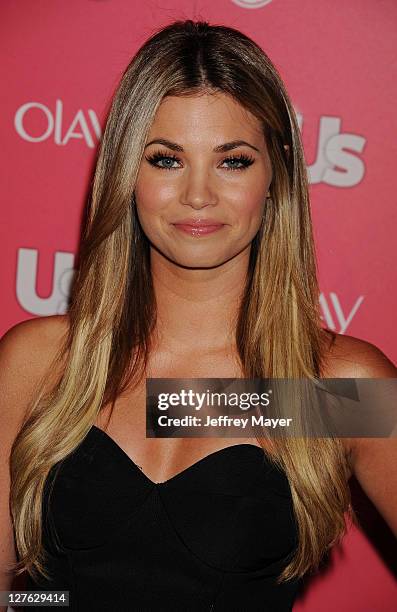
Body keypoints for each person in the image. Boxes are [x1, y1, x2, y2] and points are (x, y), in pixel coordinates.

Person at [1, 19, 396, 612]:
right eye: (166, 159)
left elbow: (187, 402)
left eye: (232, 161)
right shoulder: (41, 362)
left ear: (276, 172)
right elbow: (12, 589)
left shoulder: (336, 388)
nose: (198, 195)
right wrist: (53, 603)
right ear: (126, 172)